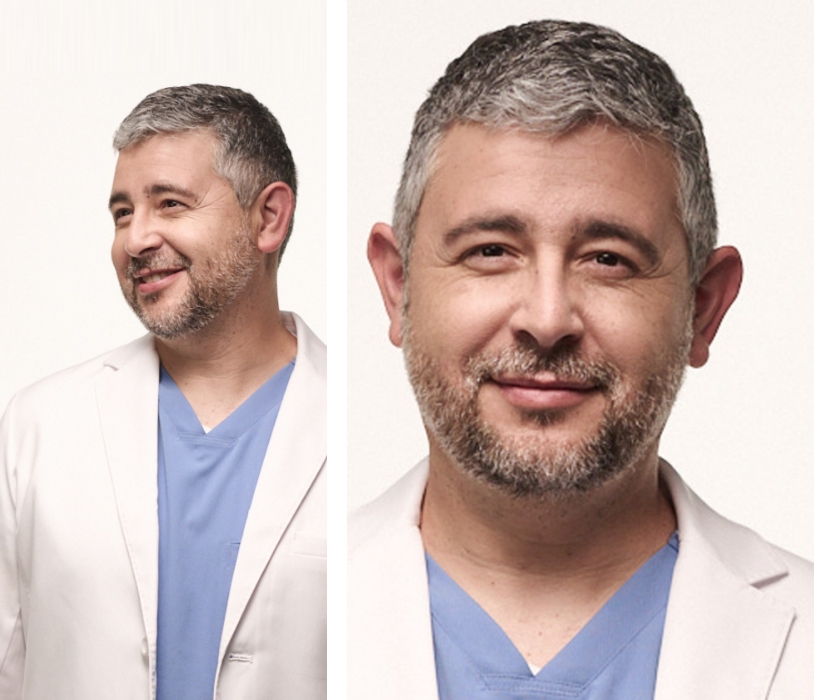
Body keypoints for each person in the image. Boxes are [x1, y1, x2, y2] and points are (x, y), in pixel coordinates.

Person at [349, 20, 814, 699]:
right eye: (490, 250)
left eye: (608, 260)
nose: (545, 320)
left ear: (704, 308)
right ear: (398, 289)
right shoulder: (312, 596)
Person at [0, 85, 326, 700]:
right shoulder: (39, 425)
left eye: (170, 204)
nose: (135, 239)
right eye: (122, 213)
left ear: (269, 218)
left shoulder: (348, 425)